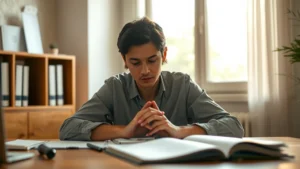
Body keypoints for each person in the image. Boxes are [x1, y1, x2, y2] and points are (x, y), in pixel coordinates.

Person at [59, 17, 244, 141]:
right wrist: (125, 131)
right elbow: (68, 128)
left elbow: (234, 127)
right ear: (124, 60)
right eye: (135, 62)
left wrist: (178, 131)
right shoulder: (114, 87)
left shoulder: (183, 85)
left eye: (152, 60)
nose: (145, 71)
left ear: (164, 55)